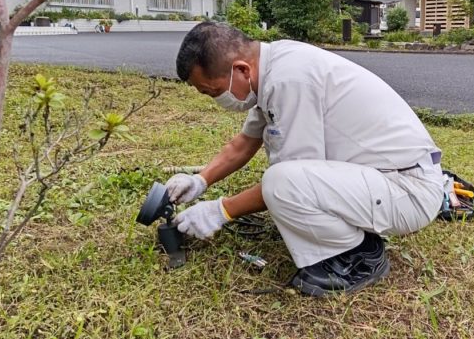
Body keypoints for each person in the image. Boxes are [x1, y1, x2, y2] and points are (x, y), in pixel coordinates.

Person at [168, 22, 444, 296]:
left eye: (214, 91)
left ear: (241, 69)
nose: (217, 99)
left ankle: (358, 255)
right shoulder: (273, 68)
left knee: (280, 181)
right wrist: (199, 180)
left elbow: (288, 183)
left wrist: (220, 211)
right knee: (285, 182)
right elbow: (243, 144)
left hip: (407, 190)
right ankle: (348, 237)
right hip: (385, 179)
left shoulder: (289, 80)